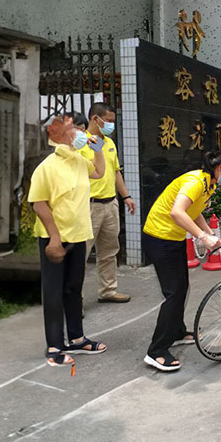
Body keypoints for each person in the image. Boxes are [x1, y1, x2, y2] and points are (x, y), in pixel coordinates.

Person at [142, 147, 221, 372]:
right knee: (174, 292)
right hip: (159, 238)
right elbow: (177, 212)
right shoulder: (196, 181)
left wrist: (209, 233)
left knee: (182, 287)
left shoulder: (210, 183)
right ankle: (156, 351)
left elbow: (194, 210)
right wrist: (201, 236)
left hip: (172, 238)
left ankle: (177, 331)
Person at [28, 113, 108, 369]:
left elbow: (99, 172)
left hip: (79, 234)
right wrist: (53, 236)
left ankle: (76, 337)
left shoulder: (78, 160)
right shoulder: (46, 167)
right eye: (75, 129)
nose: (82, 133)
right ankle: (54, 345)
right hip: (54, 238)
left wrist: (98, 151)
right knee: (53, 292)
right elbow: (39, 204)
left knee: (74, 287)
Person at [79, 102, 136, 304]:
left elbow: (115, 172)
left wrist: (126, 196)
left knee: (109, 251)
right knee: (81, 254)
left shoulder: (109, 143)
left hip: (110, 204)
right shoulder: (81, 142)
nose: (112, 125)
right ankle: (75, 299)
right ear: (96, 119)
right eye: (109, 121)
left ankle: (108, 290)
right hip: (88, 206)